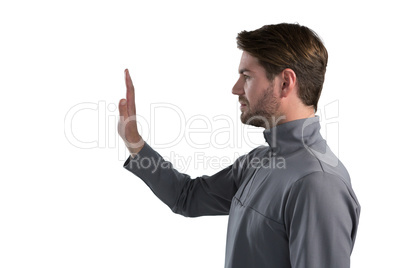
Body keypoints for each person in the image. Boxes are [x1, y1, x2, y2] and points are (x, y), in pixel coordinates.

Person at [118, 23, 360, 268]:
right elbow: (187, 197)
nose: (235, 89)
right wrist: (135, 143)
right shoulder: (259, 161)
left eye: (247, 76)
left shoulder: (318, 183)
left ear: (285, 83)